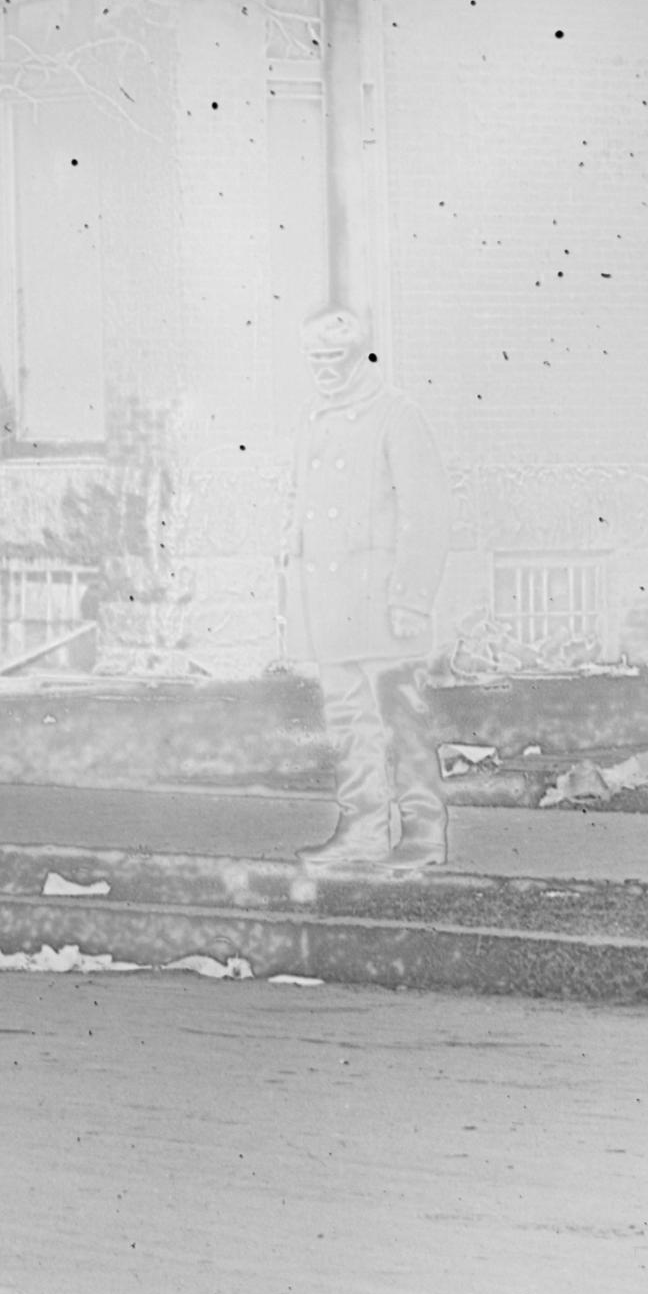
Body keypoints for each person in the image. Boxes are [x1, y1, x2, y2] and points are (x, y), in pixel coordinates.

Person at [292, 302, 448, 881]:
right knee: (348, 724)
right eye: (315, 359)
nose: (324, 369)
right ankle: (361, 831)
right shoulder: (314, 420)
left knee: (402, 720)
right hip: (332, 610)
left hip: (383, 607)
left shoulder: (396, 415)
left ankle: (424, 832)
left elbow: (427, 511)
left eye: (335, 357)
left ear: (361, 356)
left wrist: (411, 596)